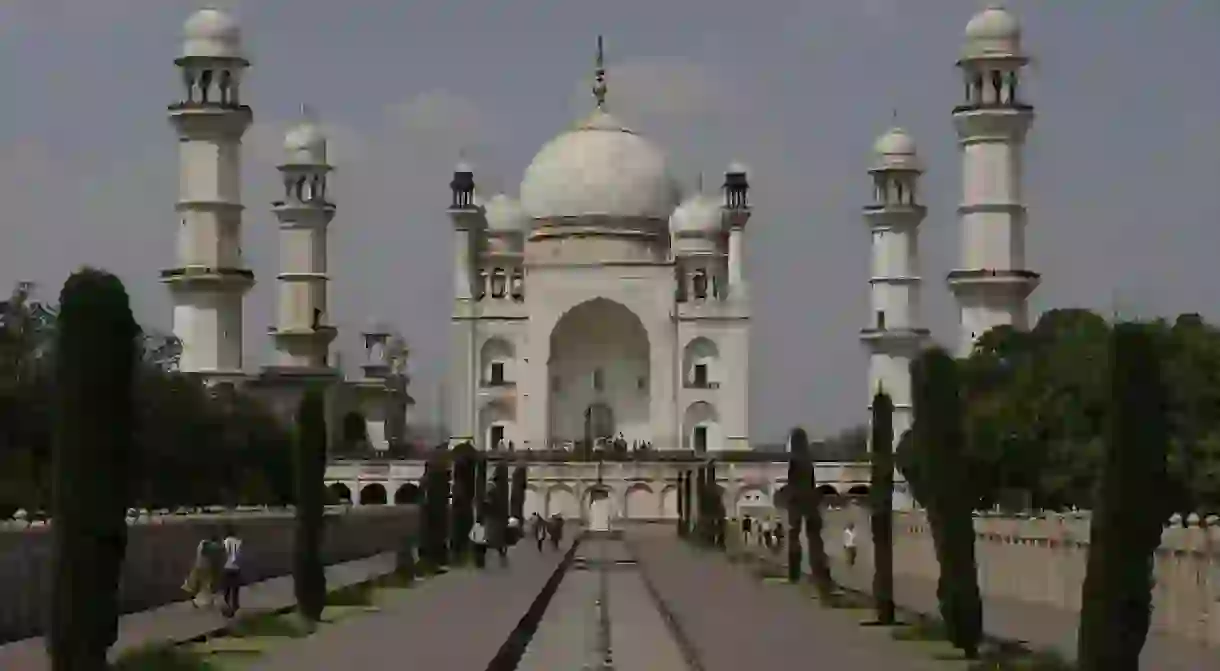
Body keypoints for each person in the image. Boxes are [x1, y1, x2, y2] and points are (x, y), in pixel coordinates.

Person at [183, 531, 219, 608]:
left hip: (199, 565)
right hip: (204, 567)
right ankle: (203, 601)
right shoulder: (208, 545)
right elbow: (214, 549)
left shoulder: (202, 543)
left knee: (198, 584)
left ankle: (202, 600)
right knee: (205, 584)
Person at [220, 525, 243, 617]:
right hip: (236, 567)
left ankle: (226, 606)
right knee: (235, 589)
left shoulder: (225, 541)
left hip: (226, 567)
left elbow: (223, 554)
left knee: (226, 589)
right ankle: (235, 606)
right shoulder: (238, 542)